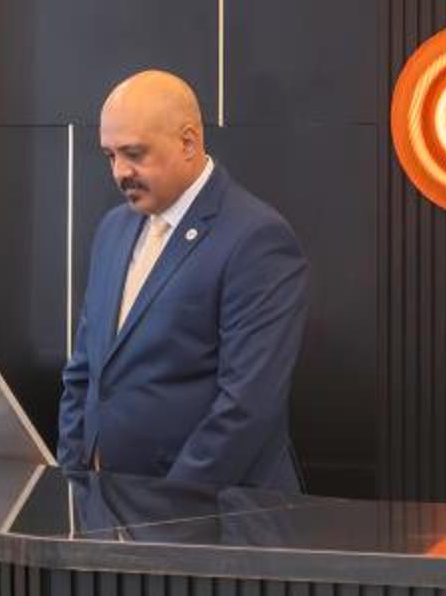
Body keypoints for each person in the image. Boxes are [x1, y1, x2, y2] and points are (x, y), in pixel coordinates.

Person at [56, 71, 308, 488]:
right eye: (110, 155)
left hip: (211, 513)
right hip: (108, 504)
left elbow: (247, 407)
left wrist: (170, 507)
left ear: (188, 143)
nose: (119, 172)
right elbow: (84, 371)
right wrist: (73, 480)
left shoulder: (256, 238)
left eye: (134, 153)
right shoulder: (113, 228)